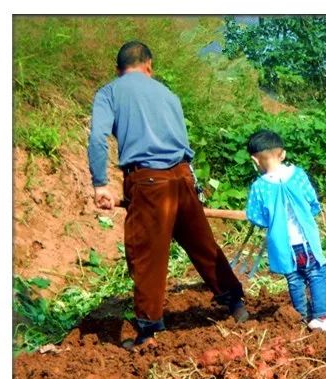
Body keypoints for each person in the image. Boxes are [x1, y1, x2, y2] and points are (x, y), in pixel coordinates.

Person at [88, 41, 248, 349]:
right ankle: (235, 303)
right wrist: (193, 185)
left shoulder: (109, 92)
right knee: (202, 244)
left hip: (148, 182)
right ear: (149, 65)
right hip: (182, 177)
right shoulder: (168, 95)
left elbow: (97, 137)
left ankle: (149, 330)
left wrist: (100, 183)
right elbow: (183, 142)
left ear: (118, 69)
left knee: (147, 253)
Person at [244, 130, 326, 333]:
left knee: (295, 279)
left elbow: (255, 217)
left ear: (254, 160)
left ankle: (301, 318)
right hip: (306, 240)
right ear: (282, 154)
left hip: (283, 245)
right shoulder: (298, 175)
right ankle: (322, 318)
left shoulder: (259, 187)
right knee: (317, 274)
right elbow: (312, 201)